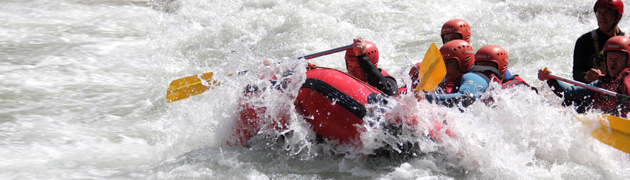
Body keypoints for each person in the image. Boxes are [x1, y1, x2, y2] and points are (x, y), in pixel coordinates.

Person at [539, 36, 630, 118]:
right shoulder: (601, 83)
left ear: (628, 60)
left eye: (618, 58)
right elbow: (569, 92)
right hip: (605, 127)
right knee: (559, 109)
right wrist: (550, 78)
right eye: (610, 58)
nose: (612, 62)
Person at [415, 40, 489, 107]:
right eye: (441, 65)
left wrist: (427, 96)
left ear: (463, 63)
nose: (443, 70)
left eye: (447, 64)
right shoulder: (446, 81)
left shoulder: (474, 77)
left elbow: (466, 98)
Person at [573, 0, 625, 83]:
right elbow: (577, 74)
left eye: (606, 12)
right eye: (599, 12)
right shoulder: (584, 41)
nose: (601, 16)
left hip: (619, 91)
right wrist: (586, 76)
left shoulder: (627, 43)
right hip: (593, 91)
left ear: (618, 17)